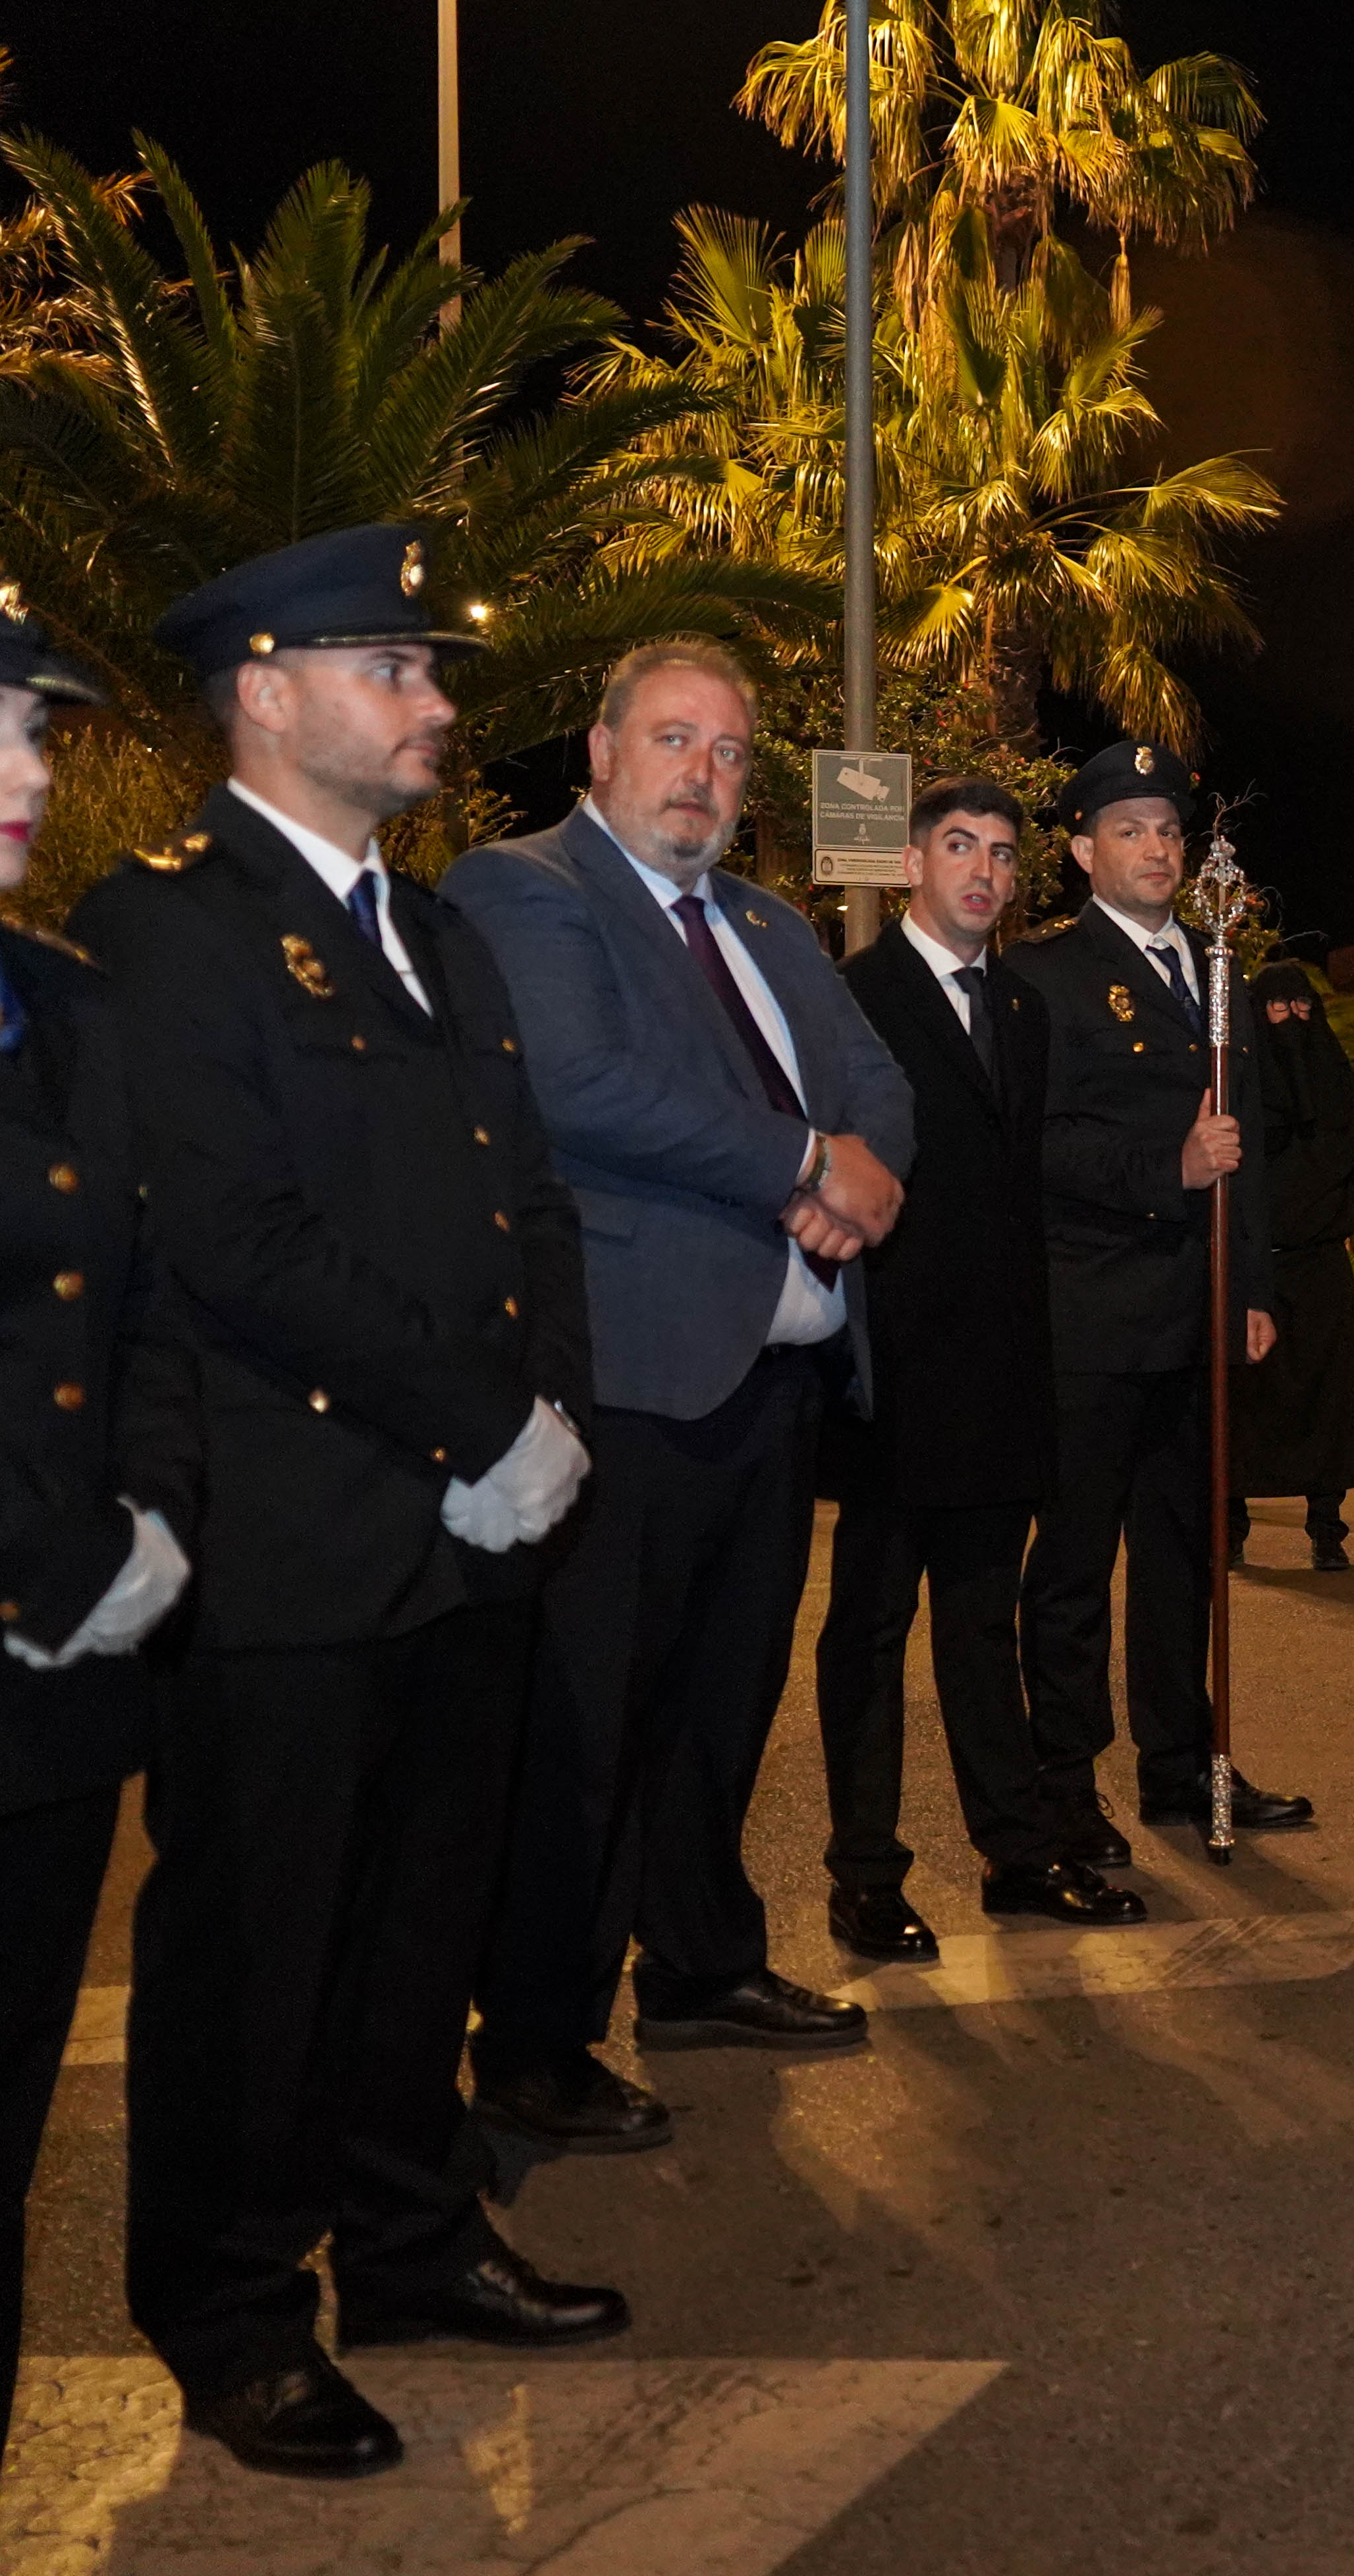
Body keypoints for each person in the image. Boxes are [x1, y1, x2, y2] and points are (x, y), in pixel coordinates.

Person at [76, 526, 620, 2479]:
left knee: (418, 1923)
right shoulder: (169, 927)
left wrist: (550, 1410)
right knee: (257, 1945)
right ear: (266, 688)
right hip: (295, 1536)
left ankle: (405, 2238)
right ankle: (230, 2311)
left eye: (430, 670)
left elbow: (526, 1200)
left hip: (471, 1531)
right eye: (392, 666)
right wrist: (483, 1422)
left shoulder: (441, 930)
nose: (436, 703)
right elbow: (233, 1239)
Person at [445, 638, 913, 2141]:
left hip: (769, 1386)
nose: (703, 773)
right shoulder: (525, 888)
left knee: (721, 1707)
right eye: (673, 739)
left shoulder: (770, 923)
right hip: (627, 1383)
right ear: (600, 750)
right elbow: (581, 1085)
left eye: (728, 750)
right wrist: (800, 1165)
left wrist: (869, 1178)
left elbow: (876, 1079)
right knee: (585, 1729)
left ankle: (701, 1966)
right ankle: (532, 2038)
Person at [0, 589, 196, 2545]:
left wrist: (137, 1515)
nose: (27, 769)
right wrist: (48, 1551)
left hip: (47, 1702)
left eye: (35, 732)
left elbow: (135, 1290)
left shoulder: (56, 997)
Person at [813, 777, 1139, 1951]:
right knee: (870, 1627)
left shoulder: (1021, 1007)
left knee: (981, 1625)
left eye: (1002, 855)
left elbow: (1020, 1204)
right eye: (959, 848)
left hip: (1000, 1375)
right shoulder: (854, 996)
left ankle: (1014, 1854)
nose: (985, 873)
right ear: (911, 866)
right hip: (892, 1375)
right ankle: (866, 1875)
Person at [1010, 741, 1306, 1853]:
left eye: (1169, 830)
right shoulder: (1043, 974)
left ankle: (1185, 1768)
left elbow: (1255, 1145)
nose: (1156, 847)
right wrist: (1163, 1173)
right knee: (1078, 1565)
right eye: (1129, 829)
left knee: (1186, 1559)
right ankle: (1065, 1786)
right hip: (1091, 1315)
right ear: (1084, 850)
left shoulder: (1220, 967)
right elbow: (1036, 1143)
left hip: (1196, 1311)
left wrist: (1256, 1285)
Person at [1232, 950, 1354, 1572]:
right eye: (1277, 1006)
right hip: (1251, 1269)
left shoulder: (1339, 1083)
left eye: (1302, 1006)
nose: (1292, 1018)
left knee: (1328, 1401)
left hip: (1320, 1266)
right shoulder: (1238, 1084)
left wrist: (1339, 1212)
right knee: (1243, 1400)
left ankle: (1328, 1527)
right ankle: (1232, 1527)